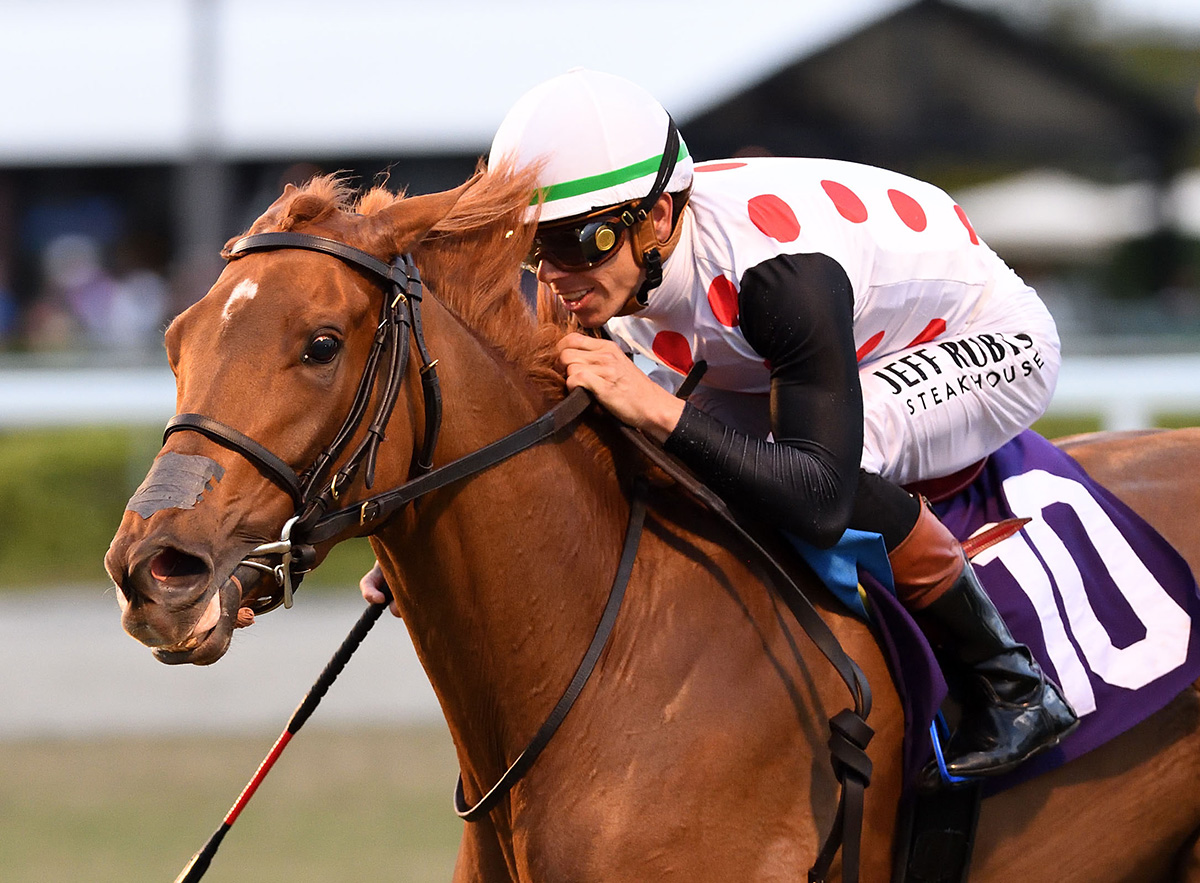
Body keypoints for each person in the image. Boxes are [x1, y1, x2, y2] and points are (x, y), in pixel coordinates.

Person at [364, 68, 1077, 781]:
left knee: (822, 459)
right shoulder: (619, 268)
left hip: (968, 333)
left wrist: (660, 409)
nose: (553, 275)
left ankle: (1011, 683)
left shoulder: (778, 281)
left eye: (581, 240)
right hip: (789, 338)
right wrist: (429, 536)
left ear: (660, 219)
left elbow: (821, 496)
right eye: (534, 247)